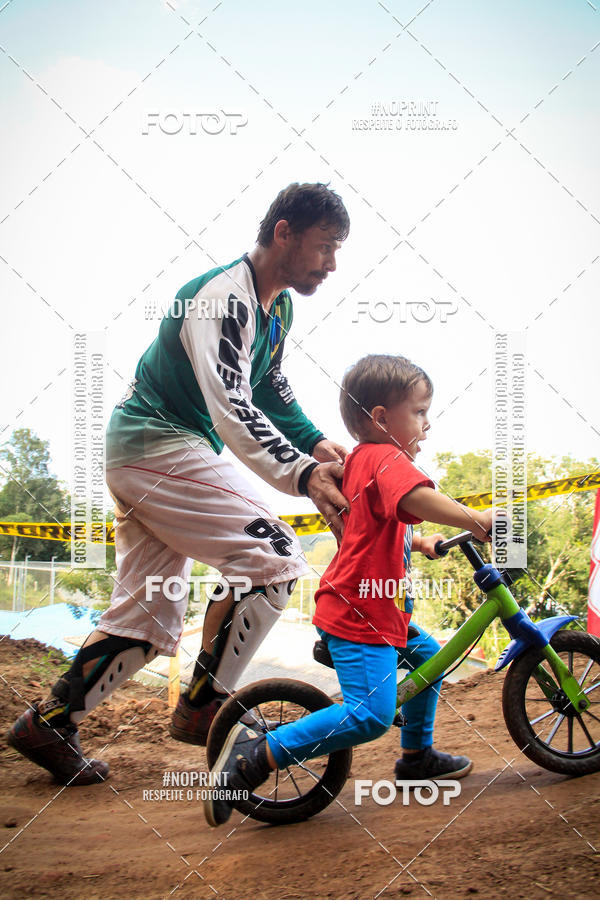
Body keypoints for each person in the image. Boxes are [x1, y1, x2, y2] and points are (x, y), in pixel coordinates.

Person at [7, 183, 352, 785]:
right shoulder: (222, 299)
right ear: (283, 232)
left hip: (151, 451)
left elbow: (268, 387)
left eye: (338, 250)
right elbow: (230, 407)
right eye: (325, 247)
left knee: (146, 615)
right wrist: (301, 473)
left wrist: (316, 442)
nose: (332, 263)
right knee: (272, 555)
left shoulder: (278, 308)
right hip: (158, 445)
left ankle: (49, 723)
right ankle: (203, 706)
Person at [204, 353, 496, 827]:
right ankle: (253, 757)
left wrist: (422, 542)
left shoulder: (364, 460)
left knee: (427, 658)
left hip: (376, 607)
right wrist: (473, 518)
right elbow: (413, 498)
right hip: (361, 610)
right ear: (381, 418)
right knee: (369, 717)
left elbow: (379, 521)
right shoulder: (384, 457)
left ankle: (417, 757)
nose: (427, 423)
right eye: (419, 412)